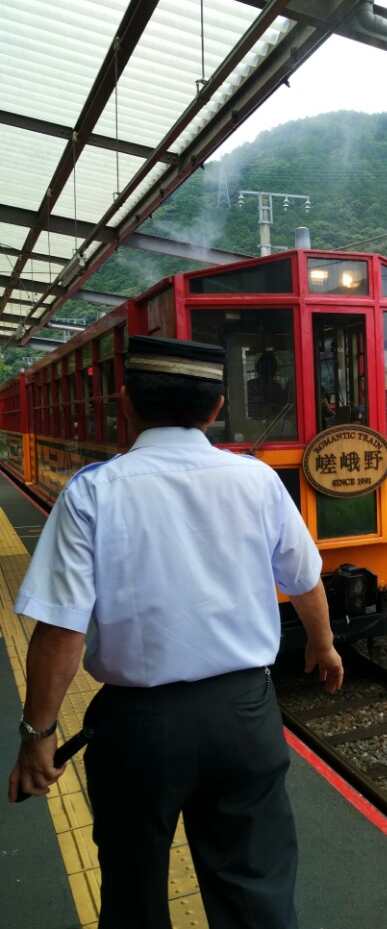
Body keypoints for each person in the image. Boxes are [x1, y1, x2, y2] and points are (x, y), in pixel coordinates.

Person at [8, 335, 344, 929]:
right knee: (254, 885)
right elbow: (303, 578)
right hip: (245, 714)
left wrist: (38, 735)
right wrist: (322, 645)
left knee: (134, 888)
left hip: (139, 729)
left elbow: (61, 631)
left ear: (126, 401)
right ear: (216, 409)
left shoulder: (92, 492)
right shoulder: (257, 480)